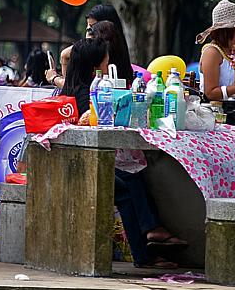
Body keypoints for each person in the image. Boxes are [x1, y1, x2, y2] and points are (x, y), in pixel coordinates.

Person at [61, 38, 181, 268]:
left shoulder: (73, 85)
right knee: (125, 188)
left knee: (131, 177)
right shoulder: (89, 93)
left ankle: (149, 236)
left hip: (81, 157)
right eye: (106, 61)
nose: (109, 64)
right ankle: (144, 250)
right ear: (96, 65)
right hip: (81, 161)